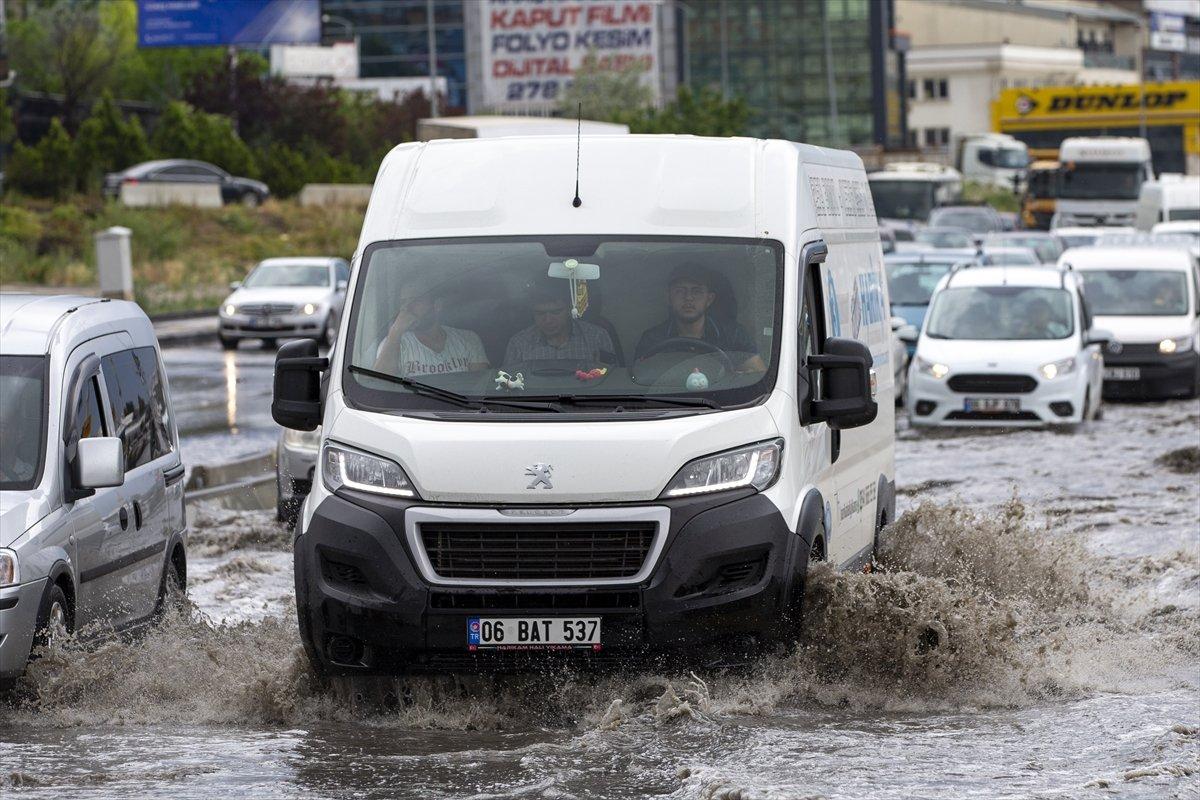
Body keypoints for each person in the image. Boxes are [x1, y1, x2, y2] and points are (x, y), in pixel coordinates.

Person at [634, 265, 767, 372]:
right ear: (668, 297)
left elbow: (757, 374)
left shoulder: (734, 335)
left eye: (696, 291)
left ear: (709, 299)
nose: (688, 298)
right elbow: (640, 383)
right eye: (680, 291)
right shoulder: (652, 340)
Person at [373, 280, 489, 377]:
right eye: (403, 302)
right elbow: (378, 383)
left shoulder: (468, 339)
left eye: (416, 301)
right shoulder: (393, 344)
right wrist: (395, 332)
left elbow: (480, 385)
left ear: (437, 305)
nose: (407, 308)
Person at [504, 281, 616, 366]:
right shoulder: (518, 343)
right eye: (540, 313)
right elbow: (507, 386)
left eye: (556, 312)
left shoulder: (596, 337)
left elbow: (612, 381)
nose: (548, 320)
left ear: (569, 310)